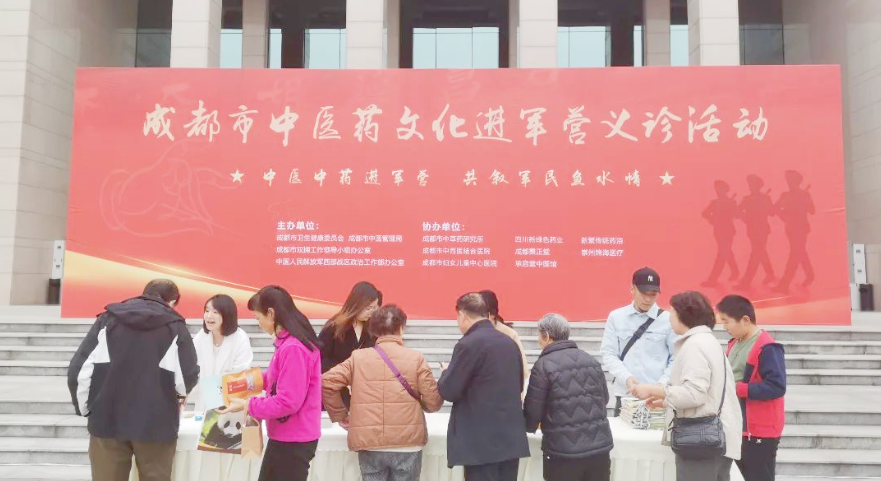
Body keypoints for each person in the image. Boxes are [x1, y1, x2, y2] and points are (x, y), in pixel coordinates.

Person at [67, 279, 199, 481]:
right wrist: (179, 397)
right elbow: (188, 375)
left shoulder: (108, 320)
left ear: (144, 293)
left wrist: (86, 408)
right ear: (172, 302)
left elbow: (79, 370)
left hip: (107, 418)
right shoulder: (175, 327)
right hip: (157, 422)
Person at [323, 304, 444, 481]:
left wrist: (340, 415)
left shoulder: (358, 358)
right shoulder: (416, 358)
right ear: (401, 327)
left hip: (369, 442)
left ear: (373, 331)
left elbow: (326, 382)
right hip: (407, 443)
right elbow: (433, 403)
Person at [631, 291, 742, 481]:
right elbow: (707, 393)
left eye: (672, 311)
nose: (669, 318)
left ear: (684, 314)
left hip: (702, 442)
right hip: (715, 437)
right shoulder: (707, 341)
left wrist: (653, 389)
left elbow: (694, 394)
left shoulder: (695, 345)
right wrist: (666, 401)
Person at [219, 285, 321, 481]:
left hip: (293, 440)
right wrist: (238, 384)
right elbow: (274, 379)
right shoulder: (288, 343)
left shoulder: (293, 348)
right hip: (286, 437)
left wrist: (248, 405)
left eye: (258, 318)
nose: (258, 324)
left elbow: (288, 401)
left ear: (271, 313)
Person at [438, 293, 530, 481]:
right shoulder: (509, 343)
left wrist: (446, 373)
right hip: (510, 440)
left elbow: (449, 390)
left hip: (480, 444)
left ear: (462, 315)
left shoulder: (468, 344)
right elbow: (519, 384)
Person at [524, 313, 613, 481]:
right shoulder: (590, 360)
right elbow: (605, 399)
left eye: (539, 335)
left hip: (563, 451)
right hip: (599, 448)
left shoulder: (543, 365)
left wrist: (529, 426)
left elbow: (533, 411)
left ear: (547, 336)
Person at [717, 295, 786, 481]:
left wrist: (738, 389)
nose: (724, 327)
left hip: (759, 431)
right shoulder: (735, 342)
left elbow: (777, 386)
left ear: (745, 320)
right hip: (739, 427)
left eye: (726, 321)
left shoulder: (767, 347)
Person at [600, 267, 677, 416]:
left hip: (657, 399)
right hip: (626, 395)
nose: (648, 299)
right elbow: (608, 353)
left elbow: (676, 358)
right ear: (632, 289)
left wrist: (660, 386)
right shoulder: (616, 317)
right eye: (643, 293)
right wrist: (626, 378)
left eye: (653, 294)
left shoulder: (668, 319)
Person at [319, 281, 382, 407]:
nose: (371, 312)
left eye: (374, 308)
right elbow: (319, 359)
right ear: (356, 305)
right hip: (336, 392)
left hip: (365, 393)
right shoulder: (334, 327)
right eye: (368, 308)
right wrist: (345, 375)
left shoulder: (374, 329)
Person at [190, 294, 254, 411]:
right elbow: (191, 367)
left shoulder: (240, 338)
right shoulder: (202, 336)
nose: (209, 316)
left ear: (227, 315)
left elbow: (240, 374)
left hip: (231, 405)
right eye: (207, 311)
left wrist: (214, 393)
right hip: (204, 405)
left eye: (215, 312)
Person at [480, 290, 529, 389]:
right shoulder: (473, 335)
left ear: (492, 314)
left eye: (480, 314)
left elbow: (523, 370)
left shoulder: (509, 334)